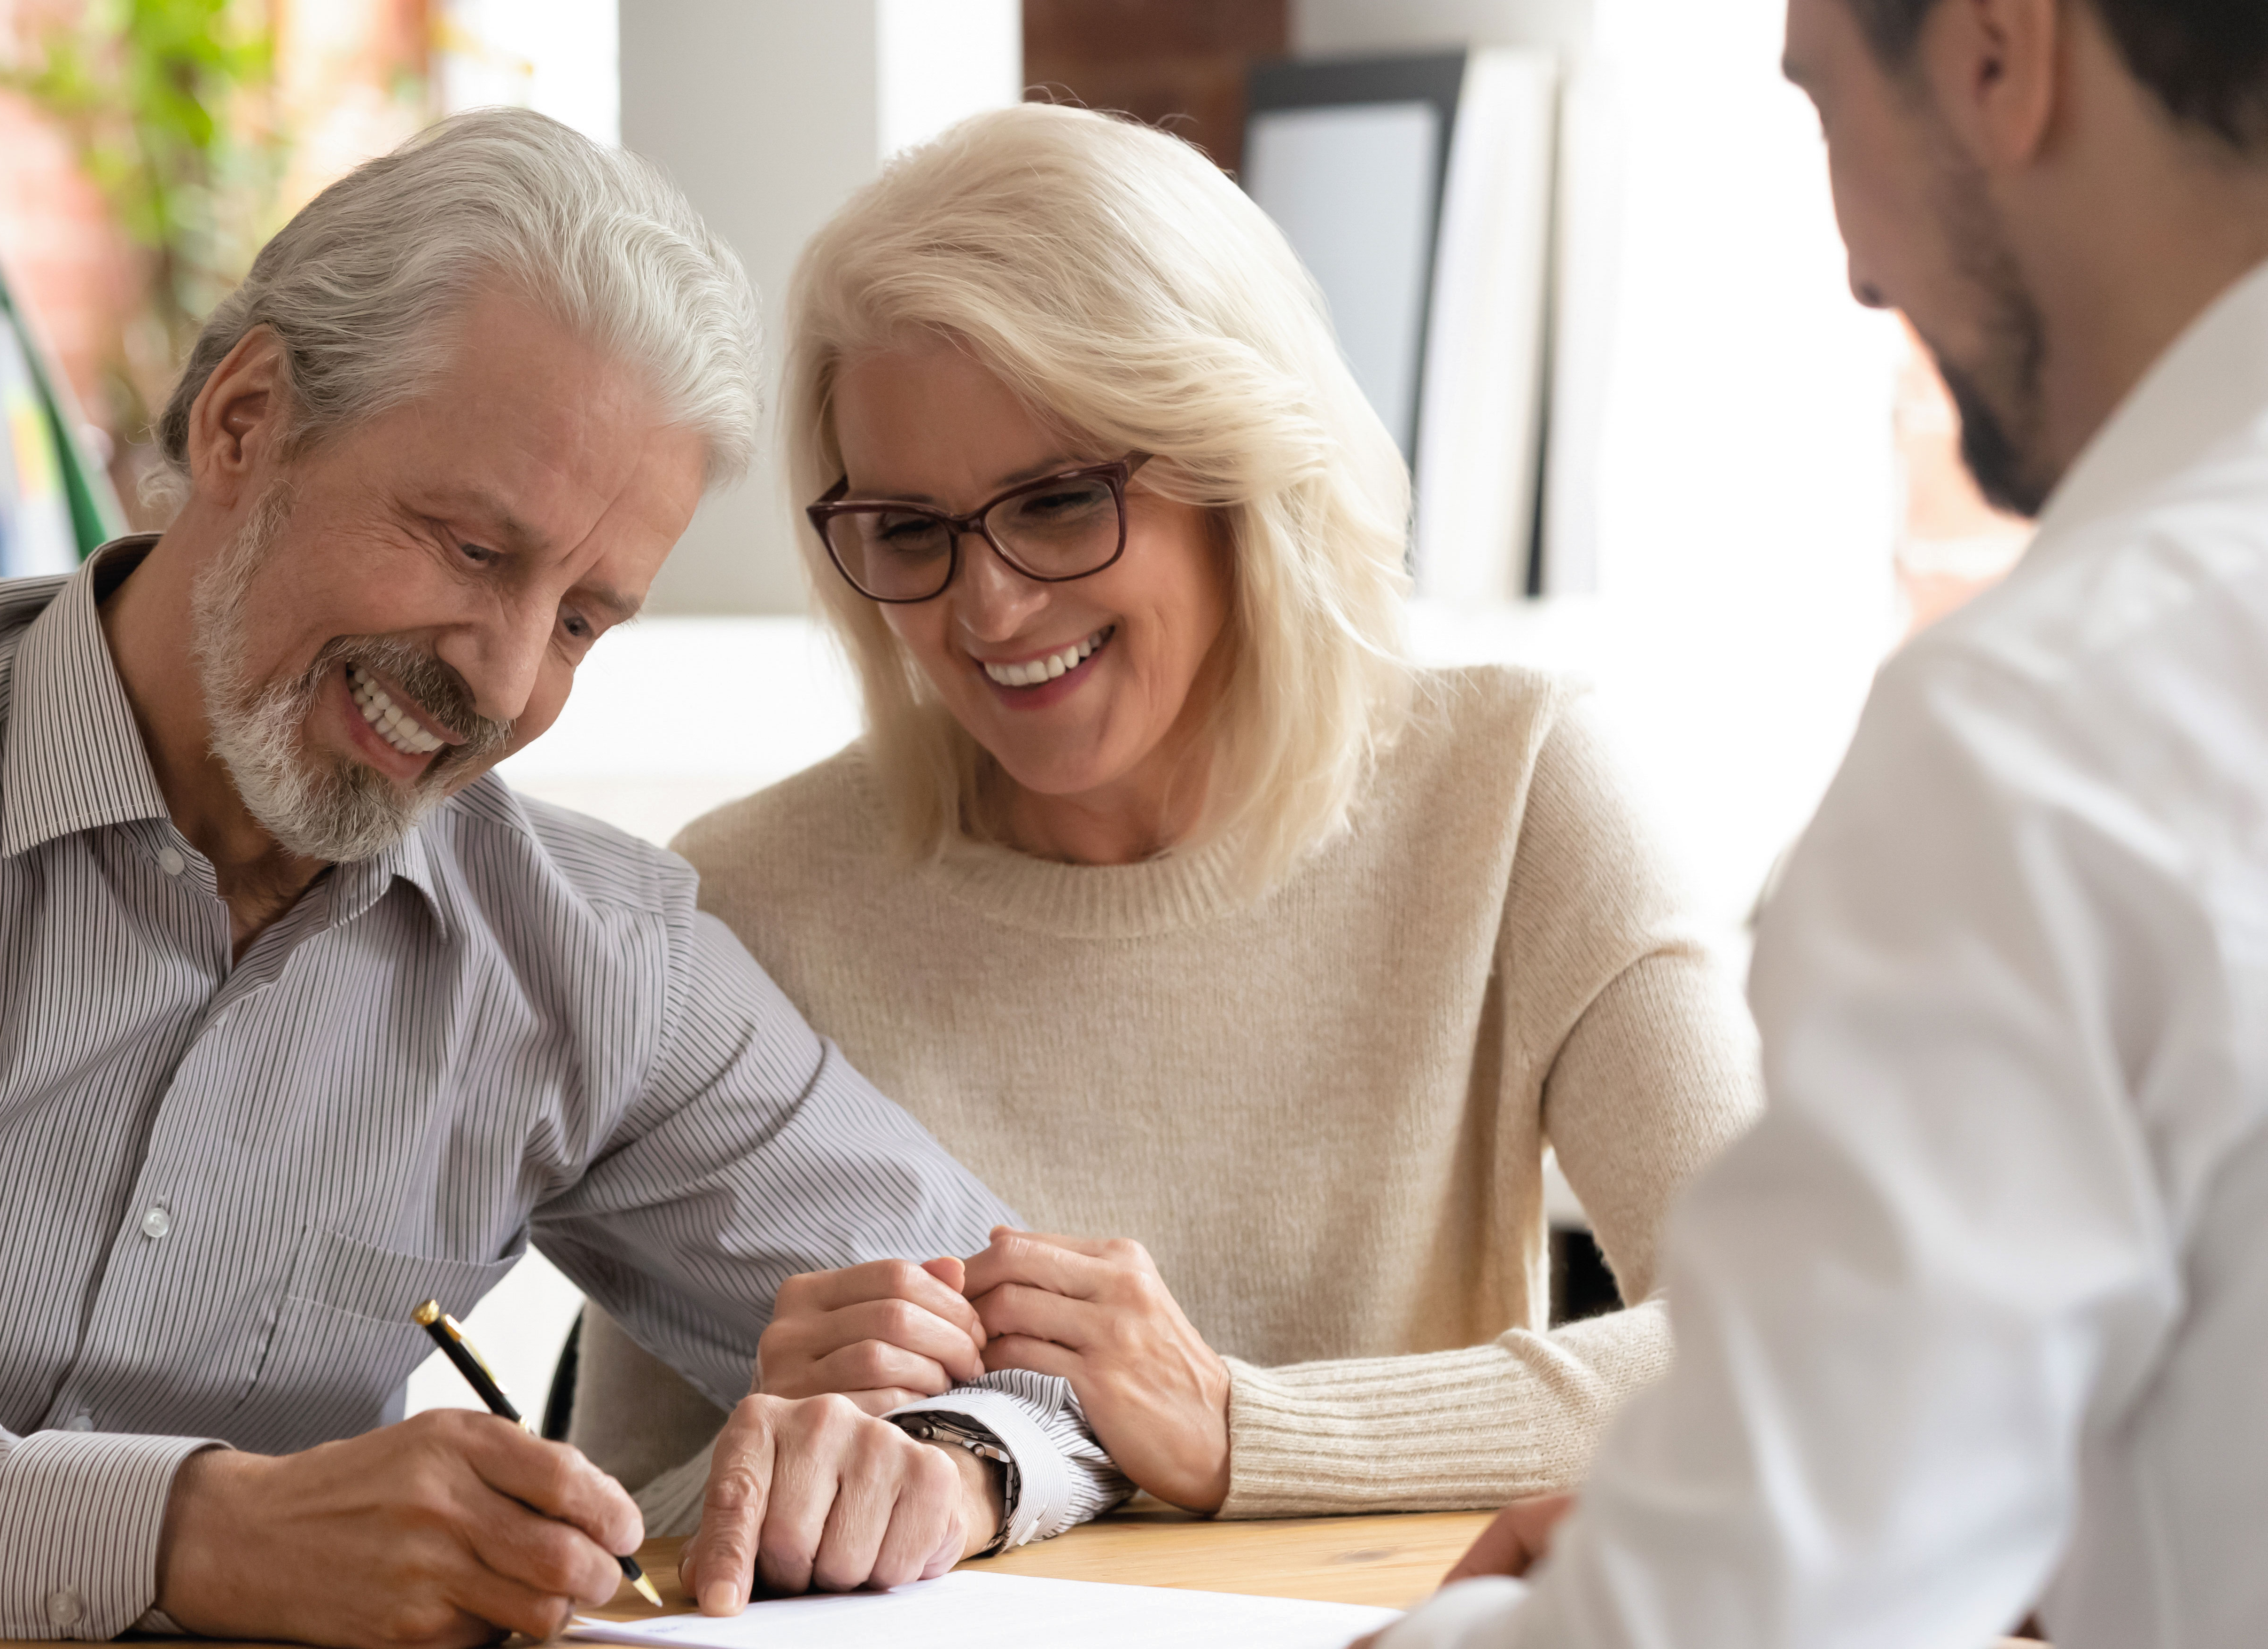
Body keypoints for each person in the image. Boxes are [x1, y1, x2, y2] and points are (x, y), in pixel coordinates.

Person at [0, 109, 1087, 1649]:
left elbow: (1046, 1358)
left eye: (583, 618)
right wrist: (206, 1531)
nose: (507, 682)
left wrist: (942, 1458)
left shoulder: (589, 954)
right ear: (243, 422)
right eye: (469, 547)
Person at [569, 102, 1763, 1604]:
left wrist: (1238, 1428)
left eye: (1060, 502)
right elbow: (616, 1539)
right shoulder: (750, 896)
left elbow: (1790, 1331)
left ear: (1238, 469)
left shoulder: (1514, 791)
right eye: (909, 529)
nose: (988, 609)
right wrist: (783, 1451)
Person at [1368, 0, 2268, 1643]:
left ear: (2003, 54)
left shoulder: (2049, 729)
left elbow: (1750, 1621)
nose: (1857, 268)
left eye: (1823, 104)